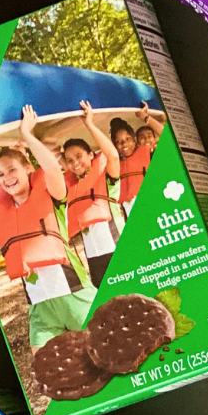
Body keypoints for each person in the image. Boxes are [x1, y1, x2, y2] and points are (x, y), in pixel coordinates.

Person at [0, 106, 95, 354]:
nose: (6, 178)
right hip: (40, 308)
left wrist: (27, 134)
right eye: (0, 174)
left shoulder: (54, 194)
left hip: (76, 295)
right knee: (48, 379)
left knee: (107, 361)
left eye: (12, 169)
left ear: (27, 169)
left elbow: (51, 168)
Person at [62, 100, 122, 286]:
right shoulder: (74, 185)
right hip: (94, 257)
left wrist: (89, 124)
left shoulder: (107, 177)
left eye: (79, 156)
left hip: (116, 248)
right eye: (69, 160)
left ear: (91, 155)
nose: (75, 163)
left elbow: (112, 155)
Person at [111, 102, 163, 216]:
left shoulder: (148, 153)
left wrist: (145, 117)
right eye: (119, 142)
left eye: (127, 139)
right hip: (129, 209)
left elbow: (165, 136)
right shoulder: (114, 163)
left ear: (134, 139)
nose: (124, 144)